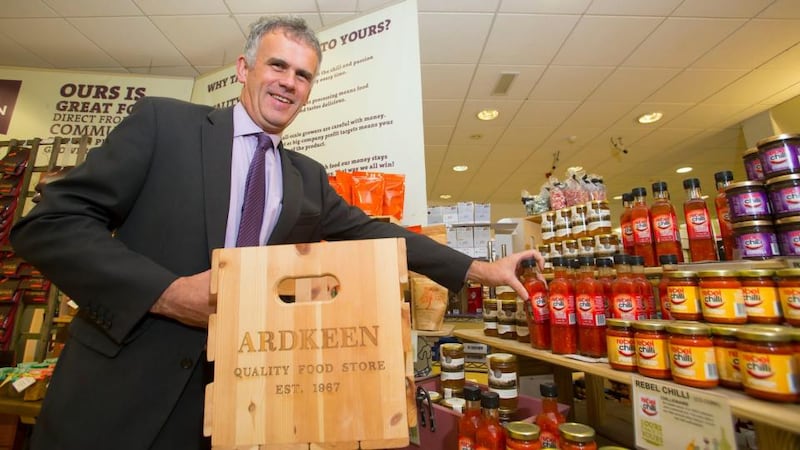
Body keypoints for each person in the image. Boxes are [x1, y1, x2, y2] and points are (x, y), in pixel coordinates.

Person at [10, 16, 542, 450]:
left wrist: (480, 269)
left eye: (304, 75)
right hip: (118, 396)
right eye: (278, 65)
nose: (289, 81)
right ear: (245, 68)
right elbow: (50, 225)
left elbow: (375, 232)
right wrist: (167, 295)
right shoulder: (165, 125)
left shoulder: (305, 178)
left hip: (234, 408)